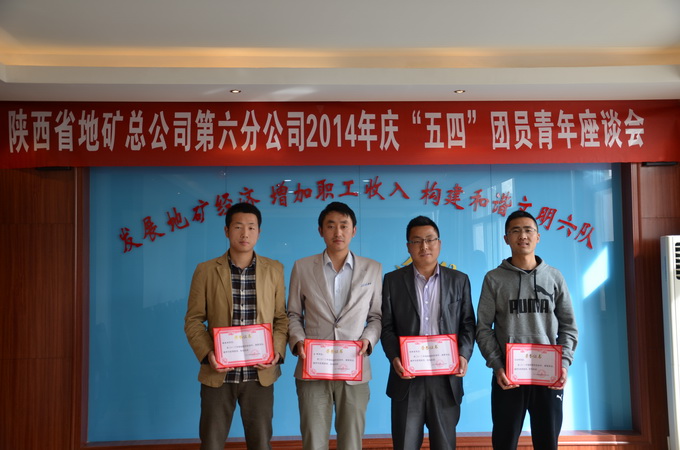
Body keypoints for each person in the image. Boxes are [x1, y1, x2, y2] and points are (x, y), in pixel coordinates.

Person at [184, 202, 288, 450]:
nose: (245, 233)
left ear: (259, 232)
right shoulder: (206, 270)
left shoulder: (274, 270)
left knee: (261, 443)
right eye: (238, 227)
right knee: (211, 443)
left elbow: (281, 319)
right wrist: (208, 354)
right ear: (226, 230)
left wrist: (276, 351)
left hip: (259, 375)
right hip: (218, 373)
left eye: (251, 227)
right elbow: (193, 320)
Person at [476, 209, 578, 450]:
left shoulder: (554, 277)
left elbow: (568, 326)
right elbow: (483, 328)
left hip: (548, 376)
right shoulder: (494, 279)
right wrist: (497, 365)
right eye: (515, 231)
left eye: (528, 230)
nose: (522, 235)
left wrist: (563, 363)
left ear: (538, 237)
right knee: (504, 442)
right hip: (508, 377)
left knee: (547, 443)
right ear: (506, 239)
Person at [287, 201, 382, 450]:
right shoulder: (302, 267)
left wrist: (368, 339)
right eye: (330, 226)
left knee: (351, 442)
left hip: (354, 368)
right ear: (321, 230)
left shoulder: (373, 268)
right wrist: (298, 341)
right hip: (313, 367)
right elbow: (293, 314)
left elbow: (376, 317)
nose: (337, 232)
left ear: (354, 230)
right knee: (313, 441)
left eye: (343, 225)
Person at [381, 215, 476, 450]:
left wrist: (463, 355)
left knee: (444, 445)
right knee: (405, 445)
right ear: (408, 246)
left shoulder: (459, 280)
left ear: (439, 244)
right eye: (417, 241)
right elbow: (387, 326)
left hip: (445, 379)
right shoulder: (392, 281)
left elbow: (467, 324)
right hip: (407, 378)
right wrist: (395, 357)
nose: (424, 246)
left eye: (430, 239)